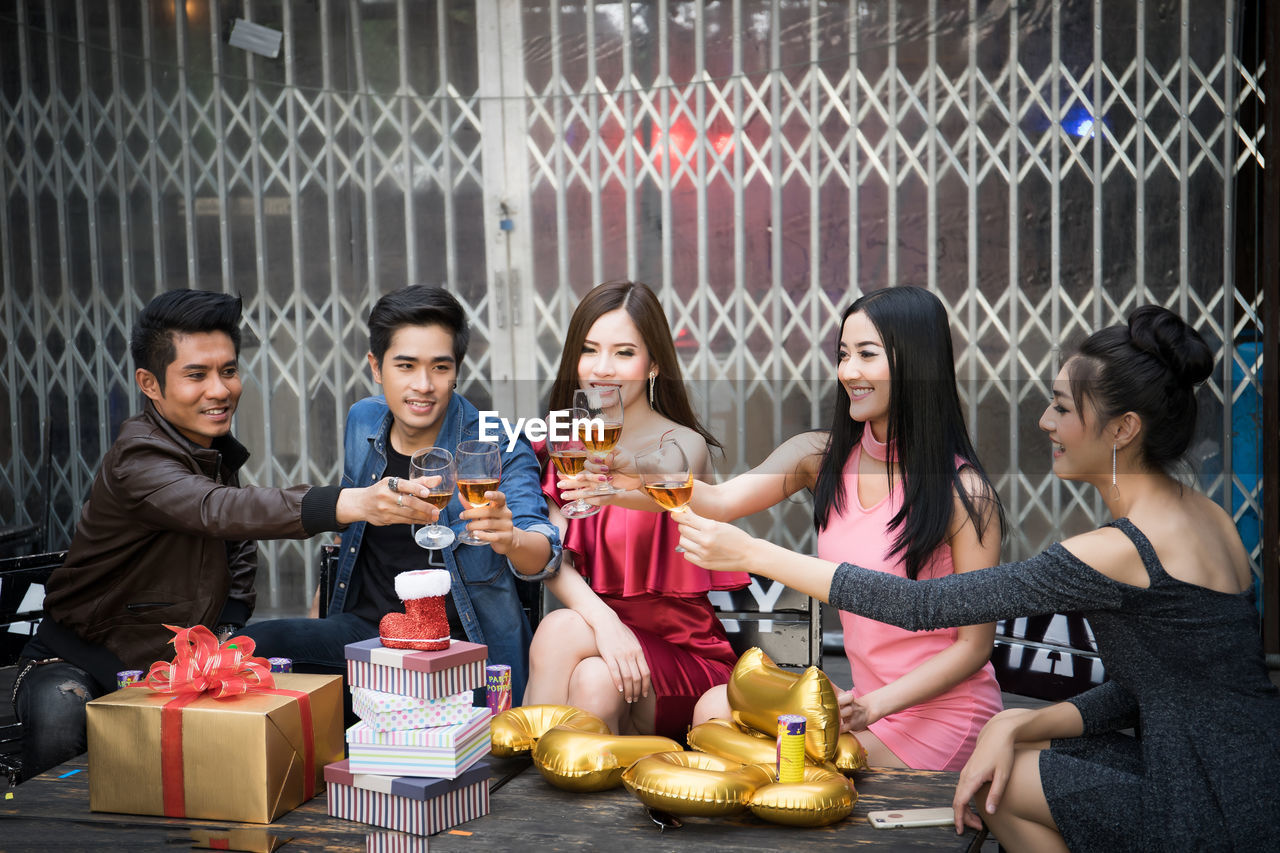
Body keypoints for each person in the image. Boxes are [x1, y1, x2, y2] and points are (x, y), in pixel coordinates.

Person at [675, 305, 1280, 850]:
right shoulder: (1212, 520)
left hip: (1210, 800)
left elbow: (921, 606)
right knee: (1008, 753)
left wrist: (754, 553)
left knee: (1001, 778)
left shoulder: (1118, 549)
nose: (1044, 421)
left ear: (1122, 430)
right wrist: (1020, 719)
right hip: (1238, 770)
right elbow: (1160, 685)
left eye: (1063, 409)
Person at [569, 285, 1006, 770]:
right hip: (861, 706)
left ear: (917, 363)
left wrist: (873, 707)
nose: (849, 372)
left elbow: (973, 648)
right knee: (713, 710)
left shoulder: (965, 495)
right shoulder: (819, 456)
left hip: (937, 716)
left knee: (771, 771)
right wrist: (629, 477)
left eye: (867, 354)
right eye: (843, 355)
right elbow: (716, 502)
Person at [14, 289, 437, 780]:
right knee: (61, 719)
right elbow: (217, 510)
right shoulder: (139, 457)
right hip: (78, 662)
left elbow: (236, 542)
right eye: (196, 375)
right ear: (149, 384)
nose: (219, 390)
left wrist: (229, 626)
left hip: (183, 669)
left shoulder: (210, 449)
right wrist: (350, 501)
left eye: (229, 371)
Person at [241, 286, 560, 706]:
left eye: (440, 367)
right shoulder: (364, 421)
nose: (423, 385)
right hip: (368, 634)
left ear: (457, 370)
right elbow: (350, 534)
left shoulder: (496, 442)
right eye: (406, 366)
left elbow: (545, 551)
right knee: (251, 645)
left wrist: (511, 538)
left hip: (460, 650)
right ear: (376, 366)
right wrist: (317, 618)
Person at [523, 281, 750, 738]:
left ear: (654, 364)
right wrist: (609, 626)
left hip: (686, 660)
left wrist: (606, 630)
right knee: (592, 680)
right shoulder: (565, 443)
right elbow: (554, 559)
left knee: (560, 629)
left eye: (624, 353)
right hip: (604, 648)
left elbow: (663, 482)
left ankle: (518, 768)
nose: (602, 369)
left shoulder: (679, 445)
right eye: (590, 350)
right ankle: (564, 796)